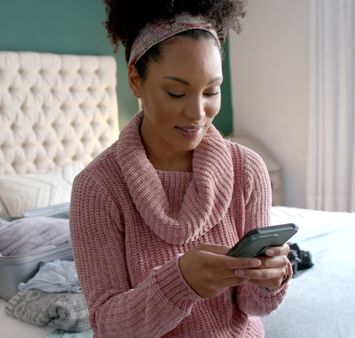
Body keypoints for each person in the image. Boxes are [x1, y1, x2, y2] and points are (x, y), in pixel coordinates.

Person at [69, 1, 292, 336]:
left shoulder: (247, 169)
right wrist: (181, 282)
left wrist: (270, 279)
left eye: (211, 91)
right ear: (135, 80)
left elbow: (252, 306)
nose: (197, 113)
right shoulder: (98, 188)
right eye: (176, 92)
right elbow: (109, 327)